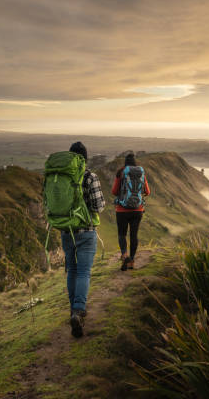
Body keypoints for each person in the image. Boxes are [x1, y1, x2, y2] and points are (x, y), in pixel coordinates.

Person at [62, 141, 105, 338]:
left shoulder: (61, 178)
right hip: (86, 232)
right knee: (84, 272)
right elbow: (98, 206)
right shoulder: (90, 177)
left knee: (71, 270)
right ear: (85, 158)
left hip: (66, 231)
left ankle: (73, 310)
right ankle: (79, 311)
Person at [111, 153, 150, 271]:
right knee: (134, 235)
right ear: (135, 162)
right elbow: (147, 191)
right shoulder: (140, 172)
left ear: (125, 162)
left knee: (122, 234)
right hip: (137, 210)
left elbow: (114, 191)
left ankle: (124, 255)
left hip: (122, 210)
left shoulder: (121, 172)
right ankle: (132, 261)